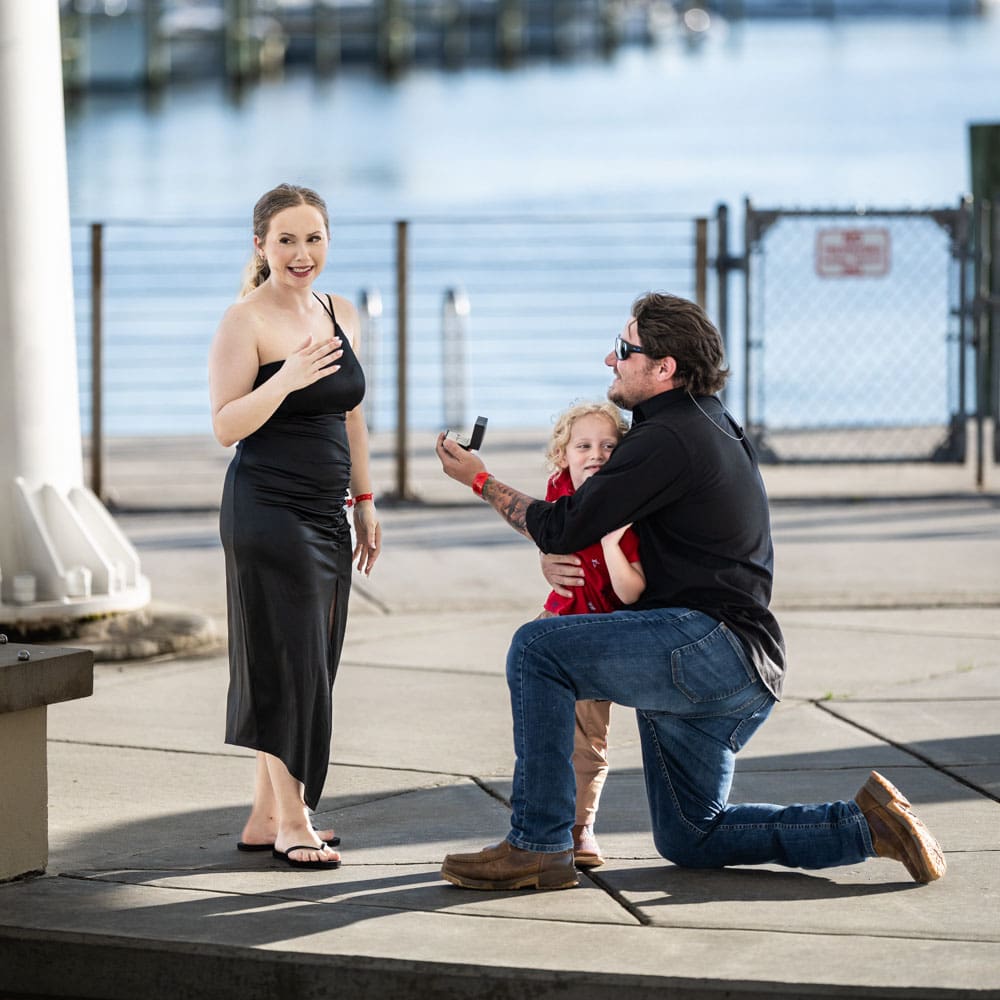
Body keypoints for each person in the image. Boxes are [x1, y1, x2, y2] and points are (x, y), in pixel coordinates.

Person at [434, 291, 945, 891]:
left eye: (624, 350)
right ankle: (866, 827)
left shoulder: (669, 438)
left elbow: (562, 524)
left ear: (664, 367)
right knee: (690, 836)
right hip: (739, 667)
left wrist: (479, 479)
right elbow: (594, 539)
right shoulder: (708, 424)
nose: (610, 359)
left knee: (538, 649)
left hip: (707, 647)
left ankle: (539, 845)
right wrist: (561, 558)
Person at [209, 183, 381, 871]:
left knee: (314, 657)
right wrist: (284, 380)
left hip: (327, 512)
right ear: (261, 245)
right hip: (266, 510)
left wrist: (364, 500)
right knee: (292, 662)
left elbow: (352, 414)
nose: (301, 253)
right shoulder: (244, 321)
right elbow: (225, 425)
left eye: (313, 238)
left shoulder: (339, 312)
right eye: (286, 240)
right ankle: (293, 821)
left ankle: (263, 815)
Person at [537, 402, 645, 868]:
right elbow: (547, 532)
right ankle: (541, 823)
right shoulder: (559, 491)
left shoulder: (629, 507)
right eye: (583, 445)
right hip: (557, 624)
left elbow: (631, 588)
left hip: (602, 635)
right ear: (563, 455)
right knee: (542, 736)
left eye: (607, 445)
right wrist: (545, 554)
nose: (595, 454)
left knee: (589, 741)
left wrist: (609, 540)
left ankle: (582, 828)